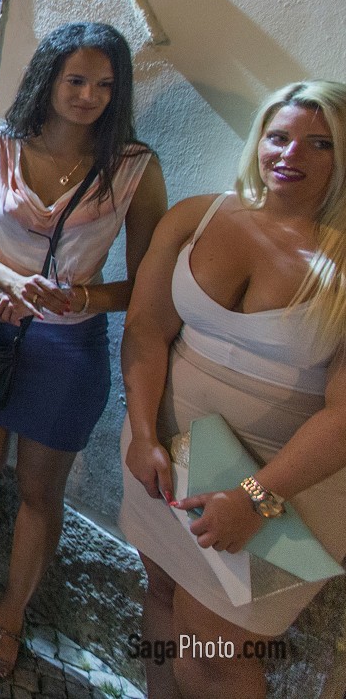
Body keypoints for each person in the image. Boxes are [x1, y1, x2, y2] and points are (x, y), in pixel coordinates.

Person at [0, 22, 166, 681]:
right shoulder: (0, 145)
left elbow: (147, 284)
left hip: (68, 346)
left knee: (38, 490)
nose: (88, 96)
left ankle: (12, 612)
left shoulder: (133, 165)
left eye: (105, 85)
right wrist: (11, 279)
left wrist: (80, 296)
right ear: (47, 78)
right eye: (75, 80)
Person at [120, 81, 346, 699]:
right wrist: (142, 432)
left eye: (318, 143)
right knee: (162, 595)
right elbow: (145, 329)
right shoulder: (198, 215)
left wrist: (254, 499)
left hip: (281, 485)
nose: (289, 153)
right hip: (164, 456)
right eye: (278, 136)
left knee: (212, 654)